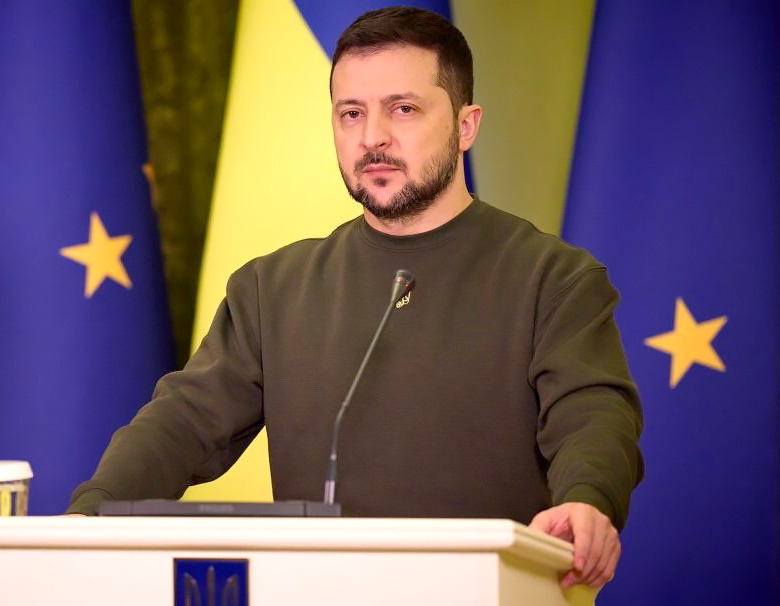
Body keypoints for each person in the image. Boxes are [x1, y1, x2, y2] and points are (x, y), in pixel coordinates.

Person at [66, 7, 643, 590]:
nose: (373, 138)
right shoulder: (272, 289)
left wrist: (588, 499)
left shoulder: (553, 278)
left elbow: (592, 414)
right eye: (351, 114)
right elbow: (184, 422)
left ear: (466, 126)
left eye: (404, 109)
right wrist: (91, 512)